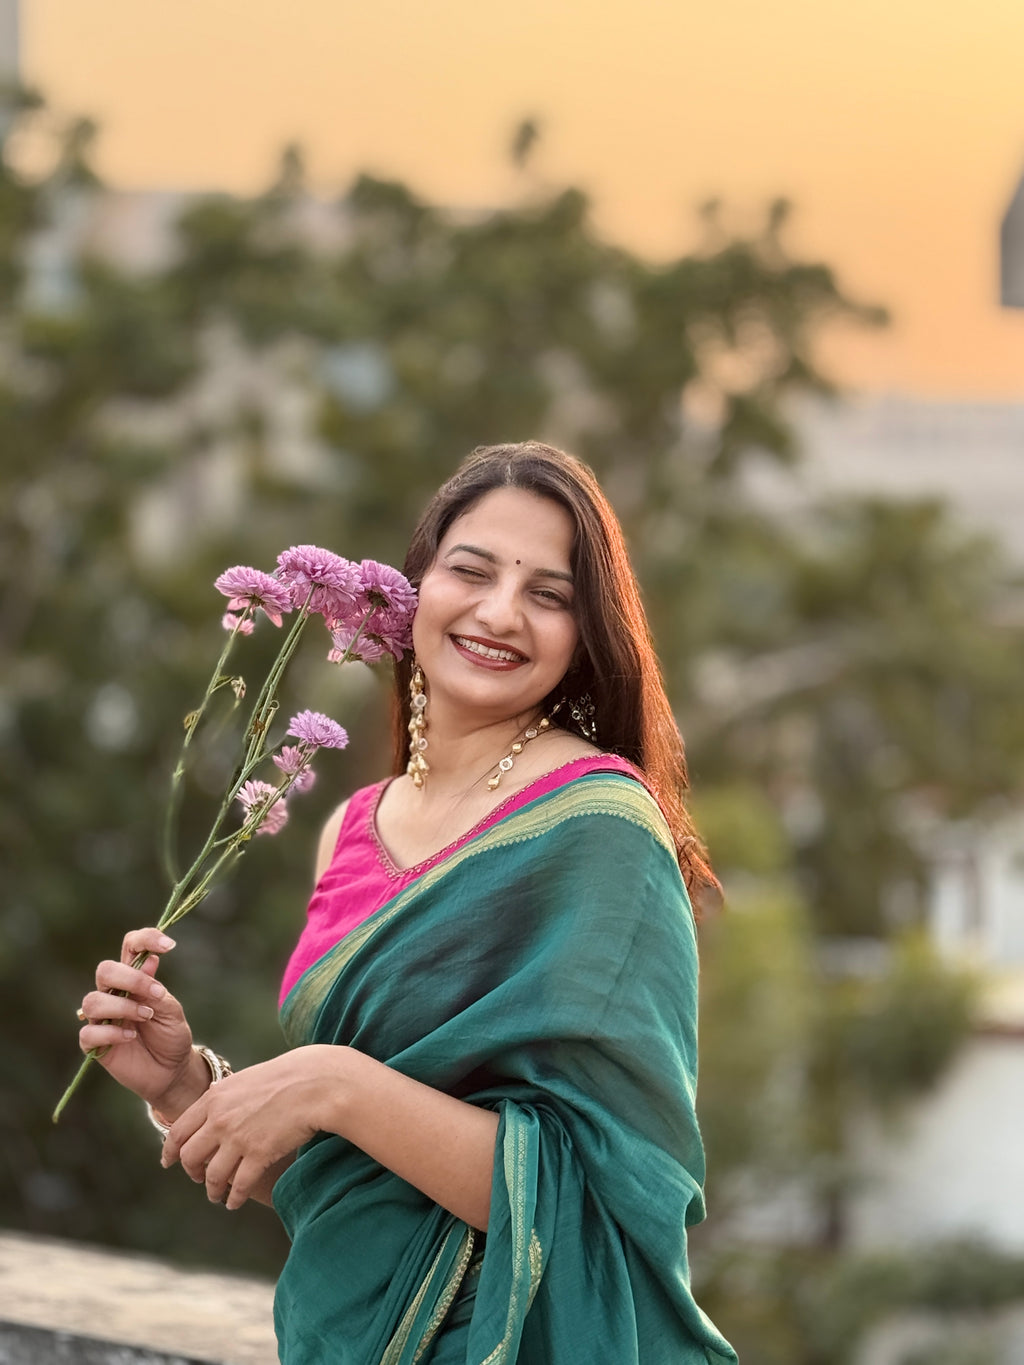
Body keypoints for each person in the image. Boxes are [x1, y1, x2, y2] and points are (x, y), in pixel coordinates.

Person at [78, 441, 737, 1365]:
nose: (500, 612)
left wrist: (334, 1082)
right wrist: (186, 1085)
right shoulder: (349, 825)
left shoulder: (600, 827)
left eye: (549, 594)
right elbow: (355, 1180)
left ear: (587, 633)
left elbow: (607, 1195)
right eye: (471, 571)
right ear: (415, 585)